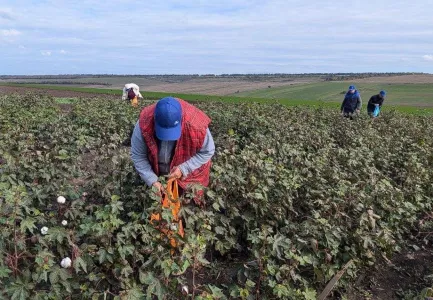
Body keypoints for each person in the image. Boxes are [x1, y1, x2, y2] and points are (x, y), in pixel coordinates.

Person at [131, 96, 215, 204]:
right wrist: (152, 180)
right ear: (154, 120)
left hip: (190, 173)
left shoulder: (196, 124)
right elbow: (138, 156)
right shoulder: (144, 123)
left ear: (181, 120)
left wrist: (183, 169)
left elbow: (208, 151)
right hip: (156, 171)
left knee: (189, 203)